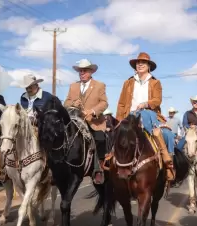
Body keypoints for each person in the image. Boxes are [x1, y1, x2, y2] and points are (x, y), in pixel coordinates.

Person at [116, 52, 176, 185]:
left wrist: (146, 104)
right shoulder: (128, 82)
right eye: (138, 62)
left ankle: (168, 164)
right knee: (116, 135)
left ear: (149, 66)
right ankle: (108, 164)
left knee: (169, 135)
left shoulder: (155, 82)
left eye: (143, 62)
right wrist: (119, 120)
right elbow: (121, 103)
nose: (140, 64)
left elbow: (157, 100)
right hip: (130, 115)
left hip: (149, 113)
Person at [64, 59, 108, 184]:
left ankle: (98, 169)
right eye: (80, 71)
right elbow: (66, 103)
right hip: (75, 120)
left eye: (84, 71)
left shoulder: (99, 85)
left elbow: (104, 103)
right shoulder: (73, 86)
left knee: (100, 139)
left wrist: (93, 111)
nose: (82, 73)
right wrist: (73, 103)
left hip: (94, 122)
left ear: (91, 71)